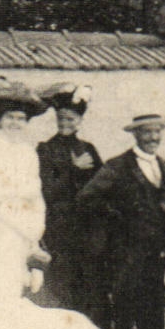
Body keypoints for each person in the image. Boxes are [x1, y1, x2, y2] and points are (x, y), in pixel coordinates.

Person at [77, 113, 165, 329]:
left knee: (153, 323)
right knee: (125, 322)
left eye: (157, 132)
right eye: (146, 132)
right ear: (135, 135)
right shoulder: (117, 166)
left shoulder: (164, 167)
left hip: (155, 261)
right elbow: (87, 198)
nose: (153, 137)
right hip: (125, 261)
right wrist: (119, 219)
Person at [0, 81, 49, 300]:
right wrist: (23, 225)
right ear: (0, 120)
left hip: (24, 231)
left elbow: (36, 195)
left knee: (17, 291)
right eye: (10, 117)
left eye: (21, 118)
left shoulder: (29, 153)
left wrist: (36, 229)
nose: (15, 123)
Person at [35, 82, 103, 315]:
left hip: (84, 227)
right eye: (61, 119)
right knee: (60, 280)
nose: (65, 124)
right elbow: (46, 188)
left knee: (85, 282)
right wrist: (72, 169)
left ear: (80, 121)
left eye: (70, 119)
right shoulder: (46, 149)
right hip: (58, 225)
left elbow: (100, 185)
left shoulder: (89, 149)